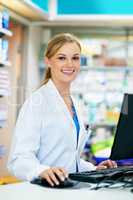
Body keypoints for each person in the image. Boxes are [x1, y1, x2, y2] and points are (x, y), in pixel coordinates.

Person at [8, 33, 117, 187]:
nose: (69, 64)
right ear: (48, 61)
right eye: (61, 58)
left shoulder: (76, 104)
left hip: (70, 188)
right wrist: (42, 171)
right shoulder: (37, 103)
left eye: (75, 58)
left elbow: (69, 159)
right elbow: (18, 159)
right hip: (45, 190)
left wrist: (94, 169)